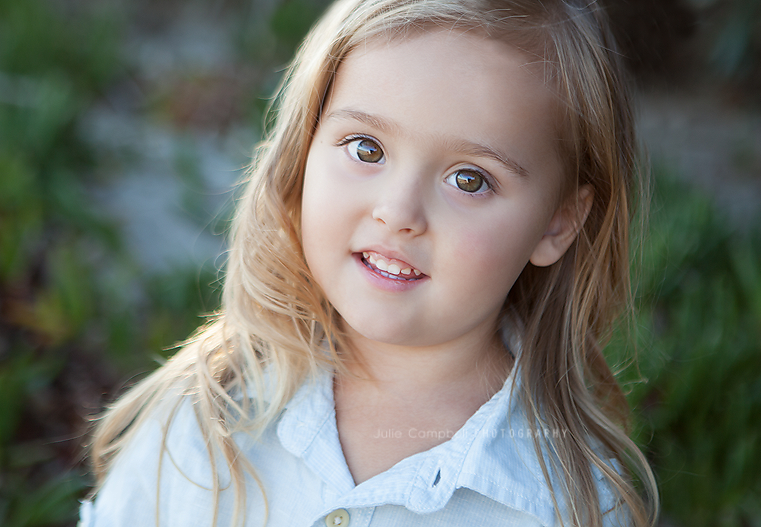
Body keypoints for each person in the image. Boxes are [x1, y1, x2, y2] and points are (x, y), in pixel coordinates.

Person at [80, 0, 658, 525]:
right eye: (367, 149)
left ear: (558, 221)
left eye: (469, 179)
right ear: (305, 146)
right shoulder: (205, 415)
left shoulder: (571, 505)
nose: (398, 212)